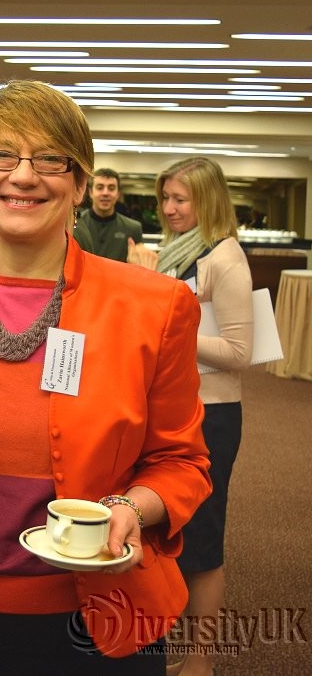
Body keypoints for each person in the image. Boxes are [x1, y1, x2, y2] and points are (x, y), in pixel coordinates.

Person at [0, 80, 211, 675]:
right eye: (1, 156)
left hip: (103, 619)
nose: (23, 176)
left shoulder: (155, 307)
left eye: (50, 159)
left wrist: (130, 509)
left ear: (80, 182)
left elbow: (182, 461)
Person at [129, 157, 253, 676]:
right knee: (168, 539)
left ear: (209, 202)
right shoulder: (182, 252)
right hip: (174, 408)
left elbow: (240, 350)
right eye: (166, 200)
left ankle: (201, 660)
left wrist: (167, 320)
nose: (170, 209)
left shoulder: (225, 258)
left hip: (213, 415)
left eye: (181, 200)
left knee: (202, 542)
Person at [77, 168, 143, 262]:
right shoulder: (76, 224)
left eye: (111, 188)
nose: (105, 193)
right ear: (90, 192)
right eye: (100, 188)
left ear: (118, 194)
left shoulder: (133, 228)